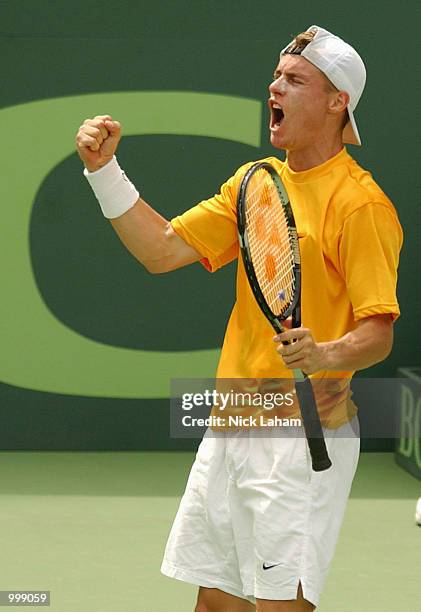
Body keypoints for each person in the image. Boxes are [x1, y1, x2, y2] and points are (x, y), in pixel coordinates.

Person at [76, 25, 402, 612]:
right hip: (234, 418)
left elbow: (378, 333)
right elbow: (161, 249)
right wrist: (104, 171)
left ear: (338, 103)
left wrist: (327, 354)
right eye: (276, 76)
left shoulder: (362, 205)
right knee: (216, 605)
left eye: (295, 80)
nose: (275, 87)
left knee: (281, 606)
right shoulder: (256, 183)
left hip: (303, 435)